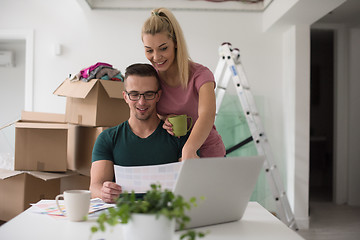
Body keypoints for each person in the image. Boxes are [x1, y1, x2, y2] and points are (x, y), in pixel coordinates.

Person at [90, 63, 188, 203]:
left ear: (158, 95)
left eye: (149, 94)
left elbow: (190, 187)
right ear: (125, 97)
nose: (141, 102)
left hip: (166, 216)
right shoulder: (108, 138)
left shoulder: (177, 136)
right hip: (123, 218)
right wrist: (104, 192)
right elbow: (95, 186)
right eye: (134, 94)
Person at [141, 7, 226, 160]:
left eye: (163, 48)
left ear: (175, 43)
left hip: (207, 153)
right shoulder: (152, 78)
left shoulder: (201, 75)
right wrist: (163, 118)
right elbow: (149, 111)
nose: (156, 57)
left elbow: (207, 115)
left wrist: (189, 149)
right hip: (171, 153)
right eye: (149, 50)